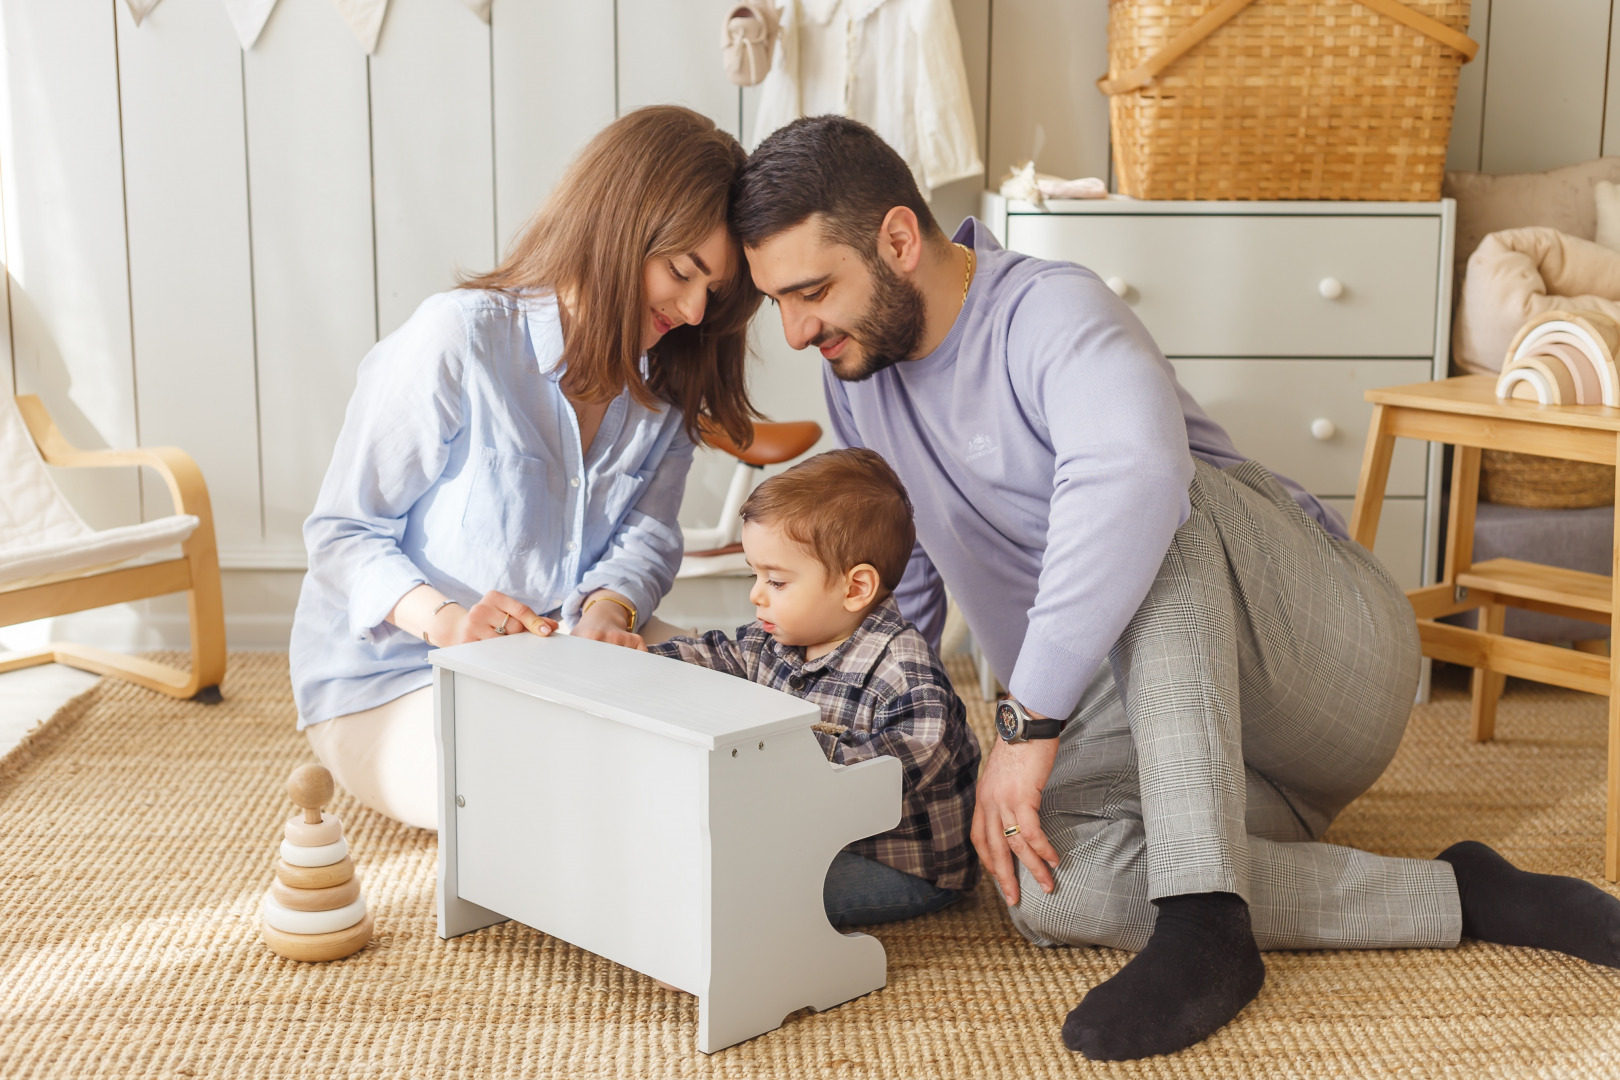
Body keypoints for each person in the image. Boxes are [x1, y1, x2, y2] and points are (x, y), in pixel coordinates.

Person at [732, 114, 1620, 1061]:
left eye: (812, 292)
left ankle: (1205, 924)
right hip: (1191, 737)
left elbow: (1137, 481)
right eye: (777, 302)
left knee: (1155, 503)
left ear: (900, 240)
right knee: (1038, 879)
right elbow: (888, 583)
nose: (794, 331)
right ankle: (1466, 894)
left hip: (1323, 657)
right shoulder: (856, 379)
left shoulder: (1052, 311)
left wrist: (1026, 725)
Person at [289, 106, 762, 831]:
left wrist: (609, 610)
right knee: (568, 790)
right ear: (617, 226)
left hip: (560, 658)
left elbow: (648, 535)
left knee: (747, 725)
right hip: (396, 679)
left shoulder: (668, 378)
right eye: (681, 272)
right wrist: (449, 624)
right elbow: (343, 534)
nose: (696, 310)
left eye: (715, 293)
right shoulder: (460, 341)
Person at [647, 448, 981, 926]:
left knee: (740, 890)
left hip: (900, 863)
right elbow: (715, 654)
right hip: (810, 830)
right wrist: (639, 661)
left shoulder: (905, 675)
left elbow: (877, 784)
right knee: (695, 857)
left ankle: (713, 939)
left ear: (855, 588)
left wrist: (764, 778)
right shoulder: (779, 637)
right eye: (754, 574)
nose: (755, 594)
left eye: (777, 581)